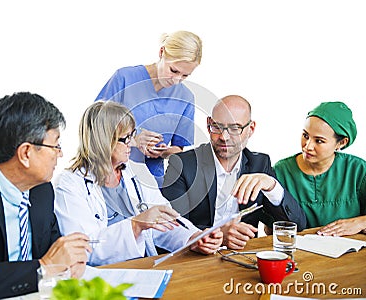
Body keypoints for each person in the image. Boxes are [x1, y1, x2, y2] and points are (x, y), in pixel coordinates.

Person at [54, 101, 222, 266]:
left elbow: (165, 220)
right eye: (125, 138)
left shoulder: (135, 171)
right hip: (99, 277)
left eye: (132, 135)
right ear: (103, 141)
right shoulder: (70, 184)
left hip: (143, 267)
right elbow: (84, 249)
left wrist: (194, 238)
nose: (131, 144)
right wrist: (136, 225)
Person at [0, 92, 91, 299]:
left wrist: (68, 261)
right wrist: (42, 268)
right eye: (56, 145)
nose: (60, 154)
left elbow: (51, 244)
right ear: (26, 153)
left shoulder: (42, 191)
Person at [162, 95, 307, 250]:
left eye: (235, 128)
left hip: (243, 257)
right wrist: (218, 236)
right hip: (195, 259)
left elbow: (296, 225)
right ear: (208, 123)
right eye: (217, 127)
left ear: (250, 129)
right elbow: (169, 228)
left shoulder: (260, 164)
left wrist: (272, 186)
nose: (224, 137)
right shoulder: (183, 164)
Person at [95, 30, 202, 186]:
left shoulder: (186, 98)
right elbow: (95, 126)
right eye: (174, 70)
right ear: (161, 52)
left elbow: (178, 148)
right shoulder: (125, 78)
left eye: (185, 76)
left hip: (151, 182)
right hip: (110, 174)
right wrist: (133, 140)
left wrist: (163, 151)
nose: (177, 80)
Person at [274, 101, 366, 236]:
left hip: (349, 254)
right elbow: (270, 228)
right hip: (299, 253)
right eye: (305, 136)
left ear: (341, 143)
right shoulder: (281, 172)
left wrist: (360, 222)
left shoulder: (357, 170)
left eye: (319, 141)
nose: (308, 146)